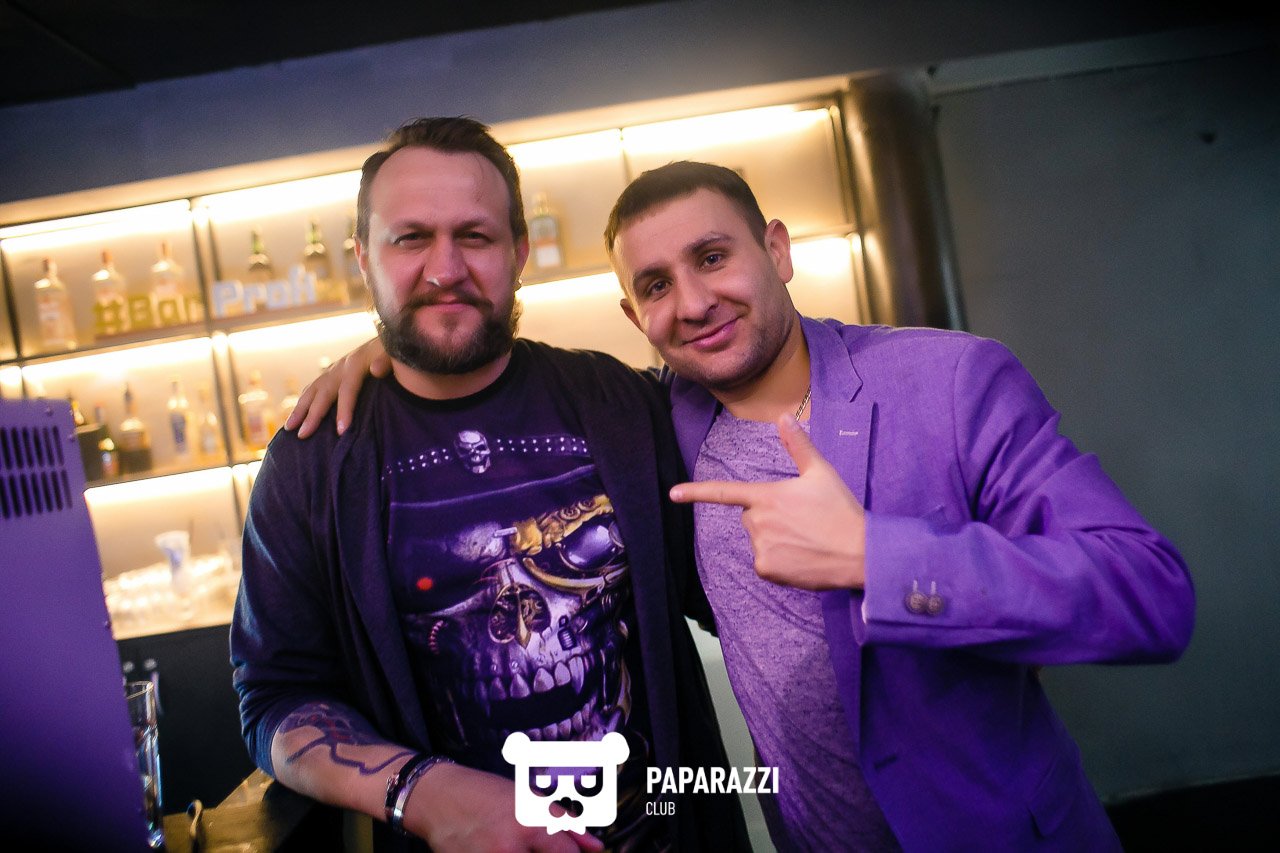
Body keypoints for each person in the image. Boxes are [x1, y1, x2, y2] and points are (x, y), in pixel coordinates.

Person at [291, 161, 1195, 852]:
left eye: (713, 257)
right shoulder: (659, 420)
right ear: (633, 314)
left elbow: (1151, 594)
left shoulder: (949, 380)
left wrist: (876, 556)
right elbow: (473, 365)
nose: (693, 303)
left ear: (778, 250)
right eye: (655, 285)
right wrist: (387, 357)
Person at [230, 120, 748, 853]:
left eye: (474, 236)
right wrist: (426, 792)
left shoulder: (620, 403)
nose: (445, 269)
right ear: (364, 259)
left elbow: (735, 587)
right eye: (411, 239)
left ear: (519, 252)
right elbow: (276, 698)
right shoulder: (313, 462)